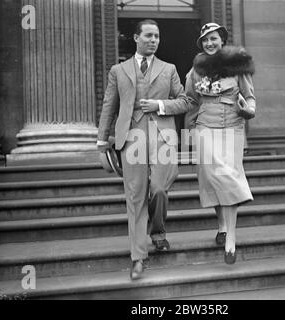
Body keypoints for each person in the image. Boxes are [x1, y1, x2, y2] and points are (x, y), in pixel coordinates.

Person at [97, 19, 190, 280]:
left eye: (157, 36)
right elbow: (109, 106)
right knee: (136, 197)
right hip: (130, 137)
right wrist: (102, 142)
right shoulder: (118, 70)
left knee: (159, 188)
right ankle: (138, 258)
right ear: (136, 38)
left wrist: (160, 105)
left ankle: (158, 230)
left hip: (163, 137)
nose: (153, 40)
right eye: (148, 35)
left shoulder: (169, 69)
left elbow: (185, 101)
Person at [184, 23, 256, 264]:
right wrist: (189, 130)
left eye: (213, 39)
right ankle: (223, 226)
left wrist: (249, 111)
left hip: (233, 127)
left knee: (227, 175)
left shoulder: (237, 65)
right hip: (204, 125)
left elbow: (250, 98)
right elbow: (191, 100)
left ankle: (230, 239)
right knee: (212, 176)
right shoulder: (196, 69)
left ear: (222, 40)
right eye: (205, 40)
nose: (209, 43)